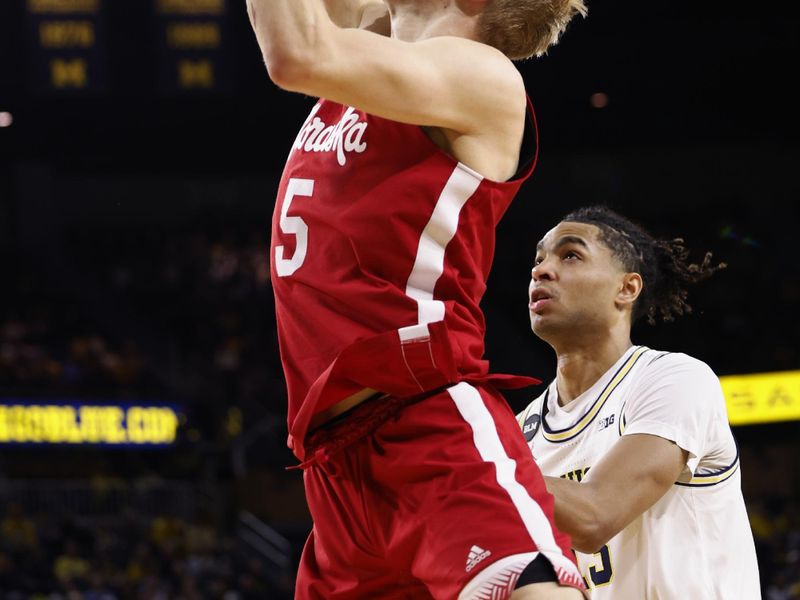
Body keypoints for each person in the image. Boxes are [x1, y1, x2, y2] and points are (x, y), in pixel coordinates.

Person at [245, 0, 588, 598]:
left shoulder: (482, 75)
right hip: (334, 462)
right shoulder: (378, 41)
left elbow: (295, 50)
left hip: (426, 419)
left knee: (533, 589)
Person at [517, 206, 761, 599]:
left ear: (627, 289)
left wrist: (472, 463)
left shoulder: (673, 379)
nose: (541, 270)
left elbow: (595, 517)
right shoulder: (519, 430)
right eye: (539, 259)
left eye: (571, 255)